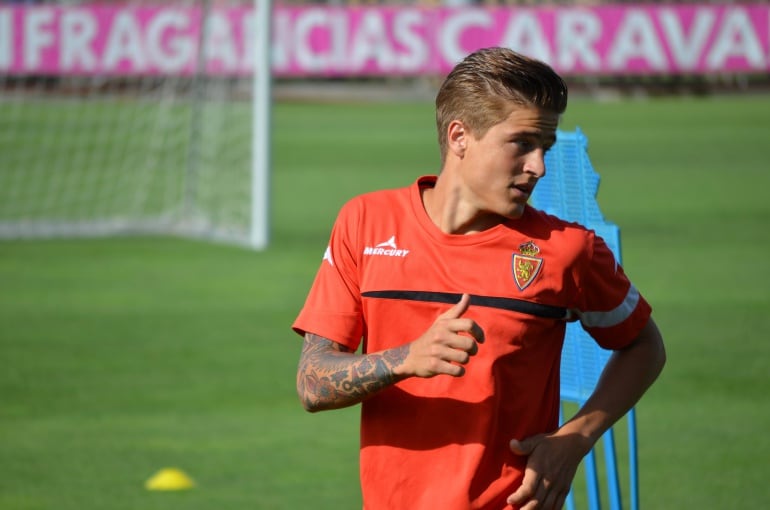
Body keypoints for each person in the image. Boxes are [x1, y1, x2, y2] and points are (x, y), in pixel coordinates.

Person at [292, 47, 666, 510]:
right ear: (459, 136)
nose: (539, 167)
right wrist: (406, 358)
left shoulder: (569, 249)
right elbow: (312, 382)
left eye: (544, 148)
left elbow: (644, 346)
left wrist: (574, 439)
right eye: (522, 143)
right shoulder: (365, 223)